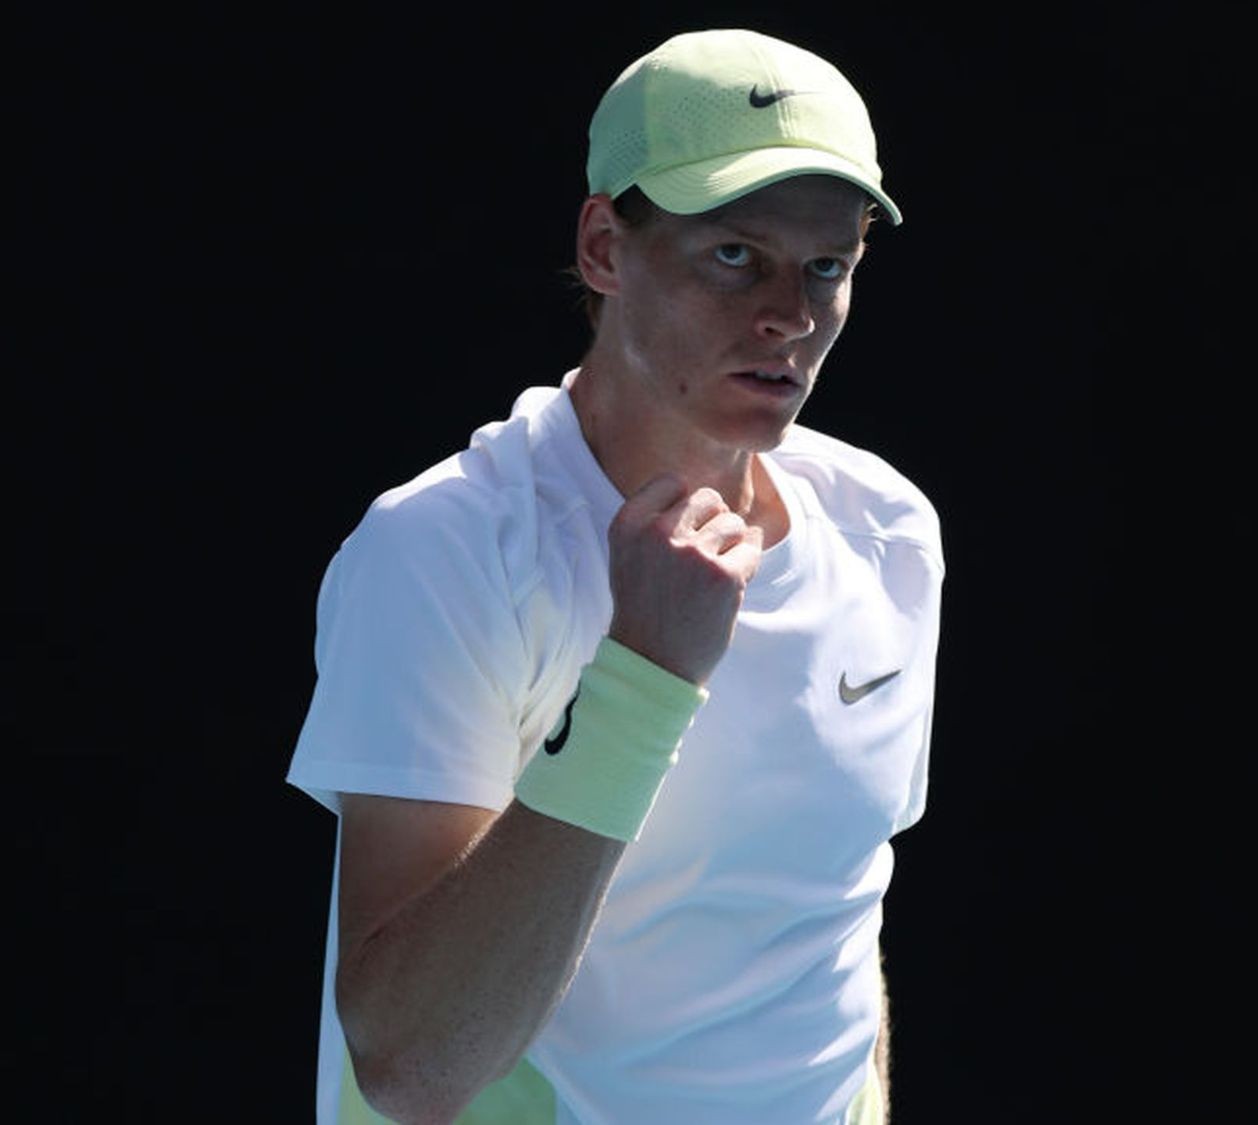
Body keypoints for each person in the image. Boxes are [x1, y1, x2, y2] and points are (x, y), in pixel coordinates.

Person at [287, 28, 944, 1124]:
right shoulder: (440, 550)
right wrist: (643, 677)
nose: (788, 313)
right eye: (733, 254)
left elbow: (829, 920)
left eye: (825, 266)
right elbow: (413, 1066)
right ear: (603, 248)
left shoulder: (890, 530)